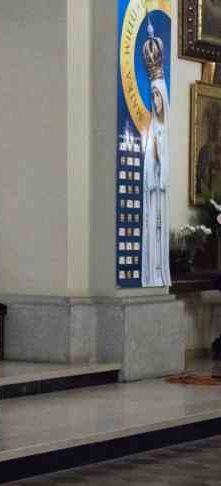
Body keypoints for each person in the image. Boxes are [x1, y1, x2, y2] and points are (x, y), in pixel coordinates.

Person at [141, 18, 171, 287]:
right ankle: (151, 273)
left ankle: (160, 274)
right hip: (153, 194)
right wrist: (154, 162)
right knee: (153, 231)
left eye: (157, 95)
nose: (154, 100)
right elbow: (148, 168)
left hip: (161, 194)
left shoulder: (165, 131)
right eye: (152, 96)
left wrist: (162, 161)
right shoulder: (152, 131)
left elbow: (167, 169)